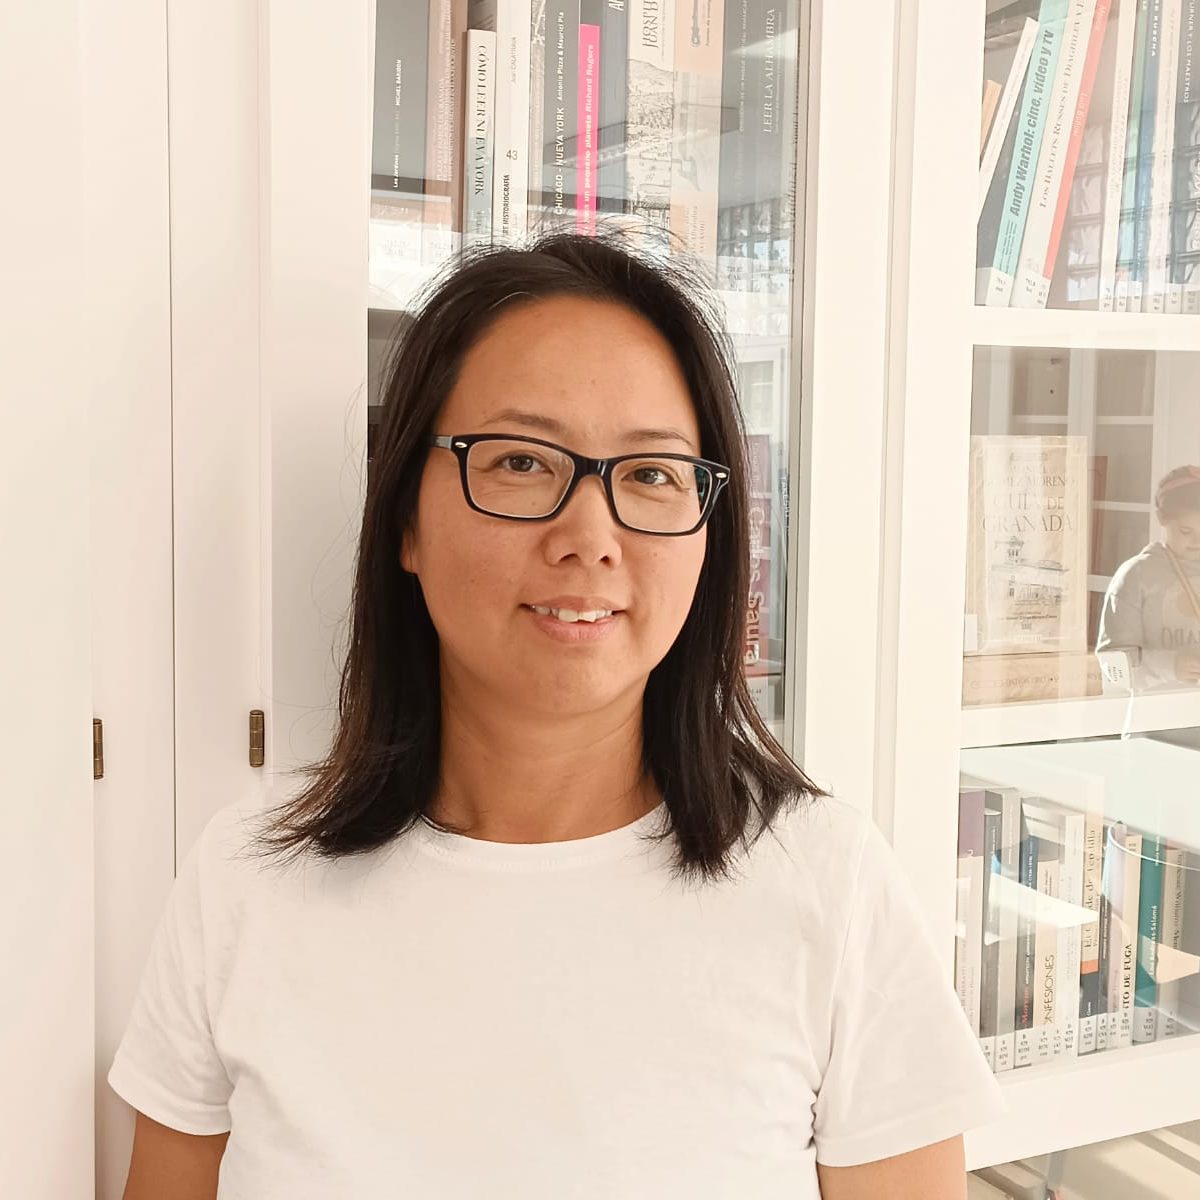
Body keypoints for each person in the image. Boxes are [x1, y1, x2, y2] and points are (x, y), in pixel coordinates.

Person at [109, 232, 1004, 1199]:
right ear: (406, 519)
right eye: (521, 462)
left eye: (653, 474)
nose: (590, 537)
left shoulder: (828, 885)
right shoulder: (243, 882)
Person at [1096, 465, 1200, 692]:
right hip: (1155, 713)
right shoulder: (1136, 575)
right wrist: (1171, 666)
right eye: (1186, 531)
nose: (1197, 542)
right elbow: (1112, 663)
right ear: (1162, 518)